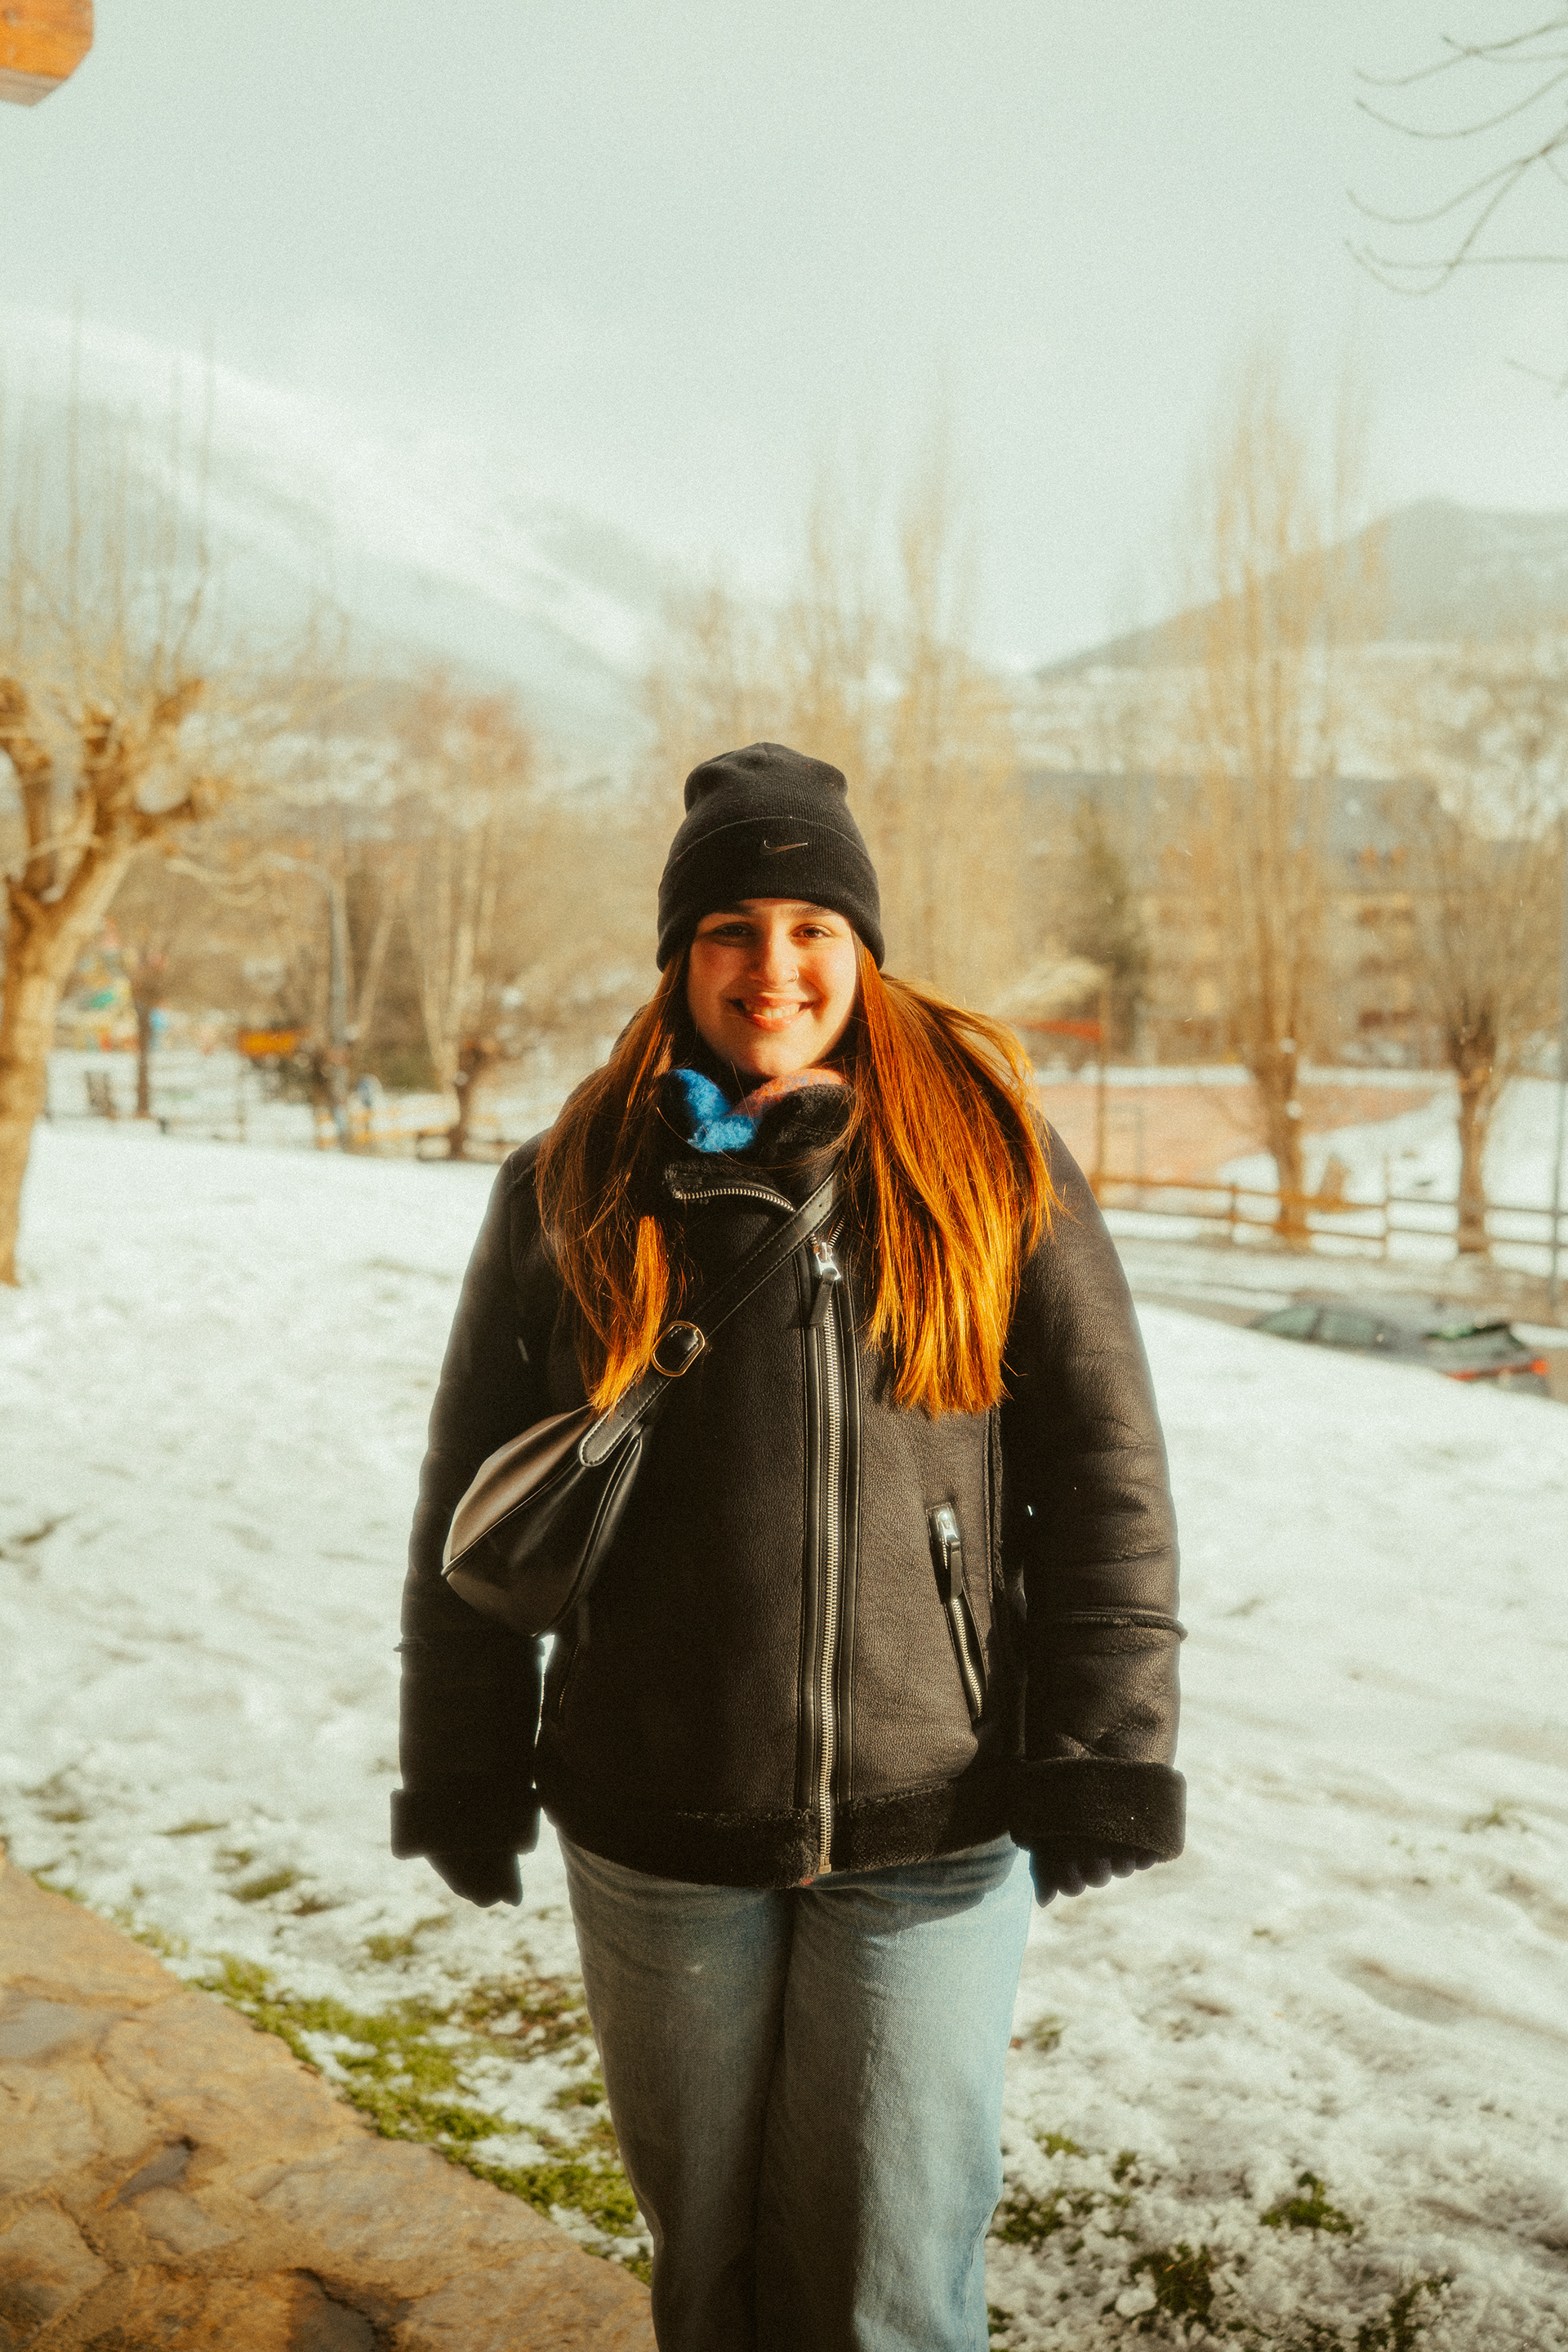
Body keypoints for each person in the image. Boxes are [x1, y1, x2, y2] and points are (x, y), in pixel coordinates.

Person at [391, 742, 1183, 2352]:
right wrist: (460, 1763)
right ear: (679, 957)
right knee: (711, 2274)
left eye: (813, 926)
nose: (774, 966)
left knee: (886, 2291)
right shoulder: (570, 1183)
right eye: (731, 930)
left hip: (933, 1818)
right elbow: (472, 1509)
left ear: (862, 949)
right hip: (656, 1822)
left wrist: (1105, 1750)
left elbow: (1107, 1474)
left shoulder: (987, 1165)